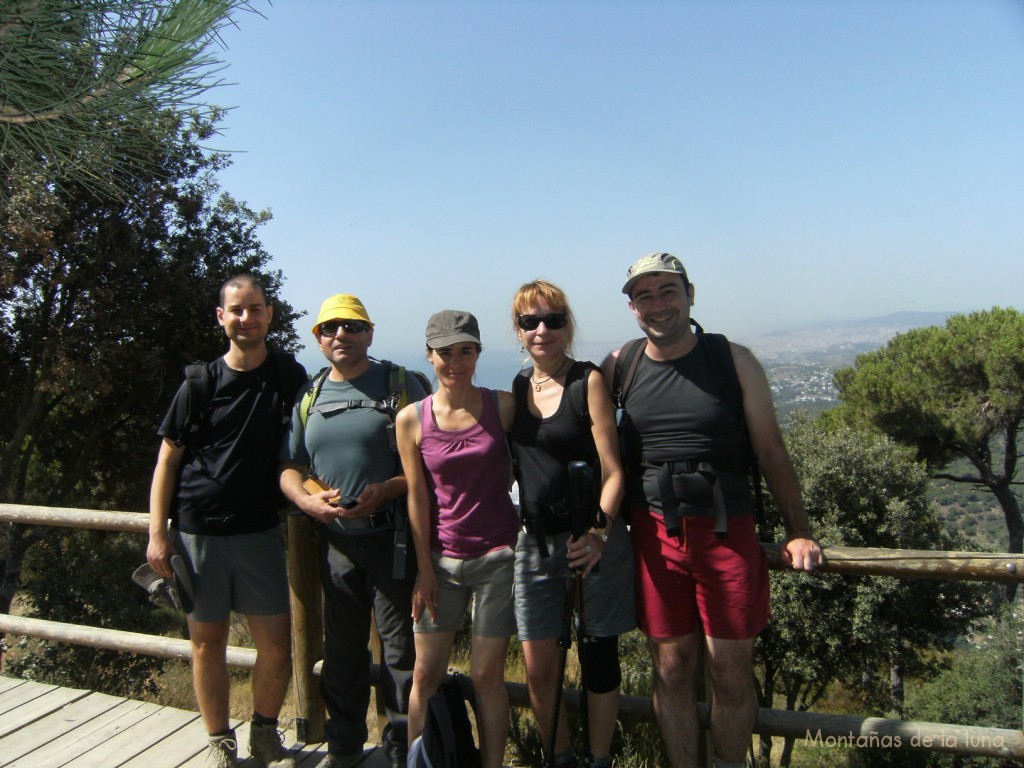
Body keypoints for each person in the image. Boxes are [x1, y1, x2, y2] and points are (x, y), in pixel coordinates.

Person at [603, 253, 824, 768]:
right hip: (655, 535)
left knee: (729, 670)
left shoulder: (733, 360)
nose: (657, 305)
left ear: (691, 294)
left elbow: (770, 450)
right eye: (644, 295)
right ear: (632, 307)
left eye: (667, 291)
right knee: (672, 670)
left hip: (729, 531)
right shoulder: (622, 364)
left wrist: (799, 531)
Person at [148, 274, 307, 768]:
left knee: (277, 647)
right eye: (236, 310)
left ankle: (264, 733)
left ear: (269, 314)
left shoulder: (287, 375)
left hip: (259, 530)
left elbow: (309, 439)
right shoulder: (200, 383)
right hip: (199, 533)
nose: (246, 317)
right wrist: (157, 534)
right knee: (206, 646)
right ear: (222, 317)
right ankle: (219, 744)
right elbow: (167, 461)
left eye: (254, 308)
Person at [279, 294, 428, 768]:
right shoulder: (310, 393)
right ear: (319, 339)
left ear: (369, 332)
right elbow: (291, 465)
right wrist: (305, 499)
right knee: (342, 653)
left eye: (352, 326)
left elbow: (431, 463)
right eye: (329, 329)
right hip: (335, 543)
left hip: (393, 537)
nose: (340, 335)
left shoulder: (402, 384)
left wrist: (387, 490)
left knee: (400, 650)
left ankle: (402, 750)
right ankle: (343, 748)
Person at [508, 280, 634, 768]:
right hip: (535, 543)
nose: (542, 330)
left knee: (600, 659)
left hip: (593, 541)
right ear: (517, 331)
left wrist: (599, 534)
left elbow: (614, 468)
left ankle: (599, 759)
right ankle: (558, 757)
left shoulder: (588, 382)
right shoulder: (517, 390)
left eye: (553, 320)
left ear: (568, 325)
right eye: (529, 322)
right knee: (540, 669)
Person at [395, 310, 519, 768]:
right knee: (425, 674)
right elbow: (418, 498)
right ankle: (419, 762)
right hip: (440, 561)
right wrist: (423, 571)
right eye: (445, 353)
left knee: (488, 676)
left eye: (465, 351)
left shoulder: (502, 406)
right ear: (429, 356)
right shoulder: (412, 420)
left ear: (478, 353)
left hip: (497, 557)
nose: (456, 362)